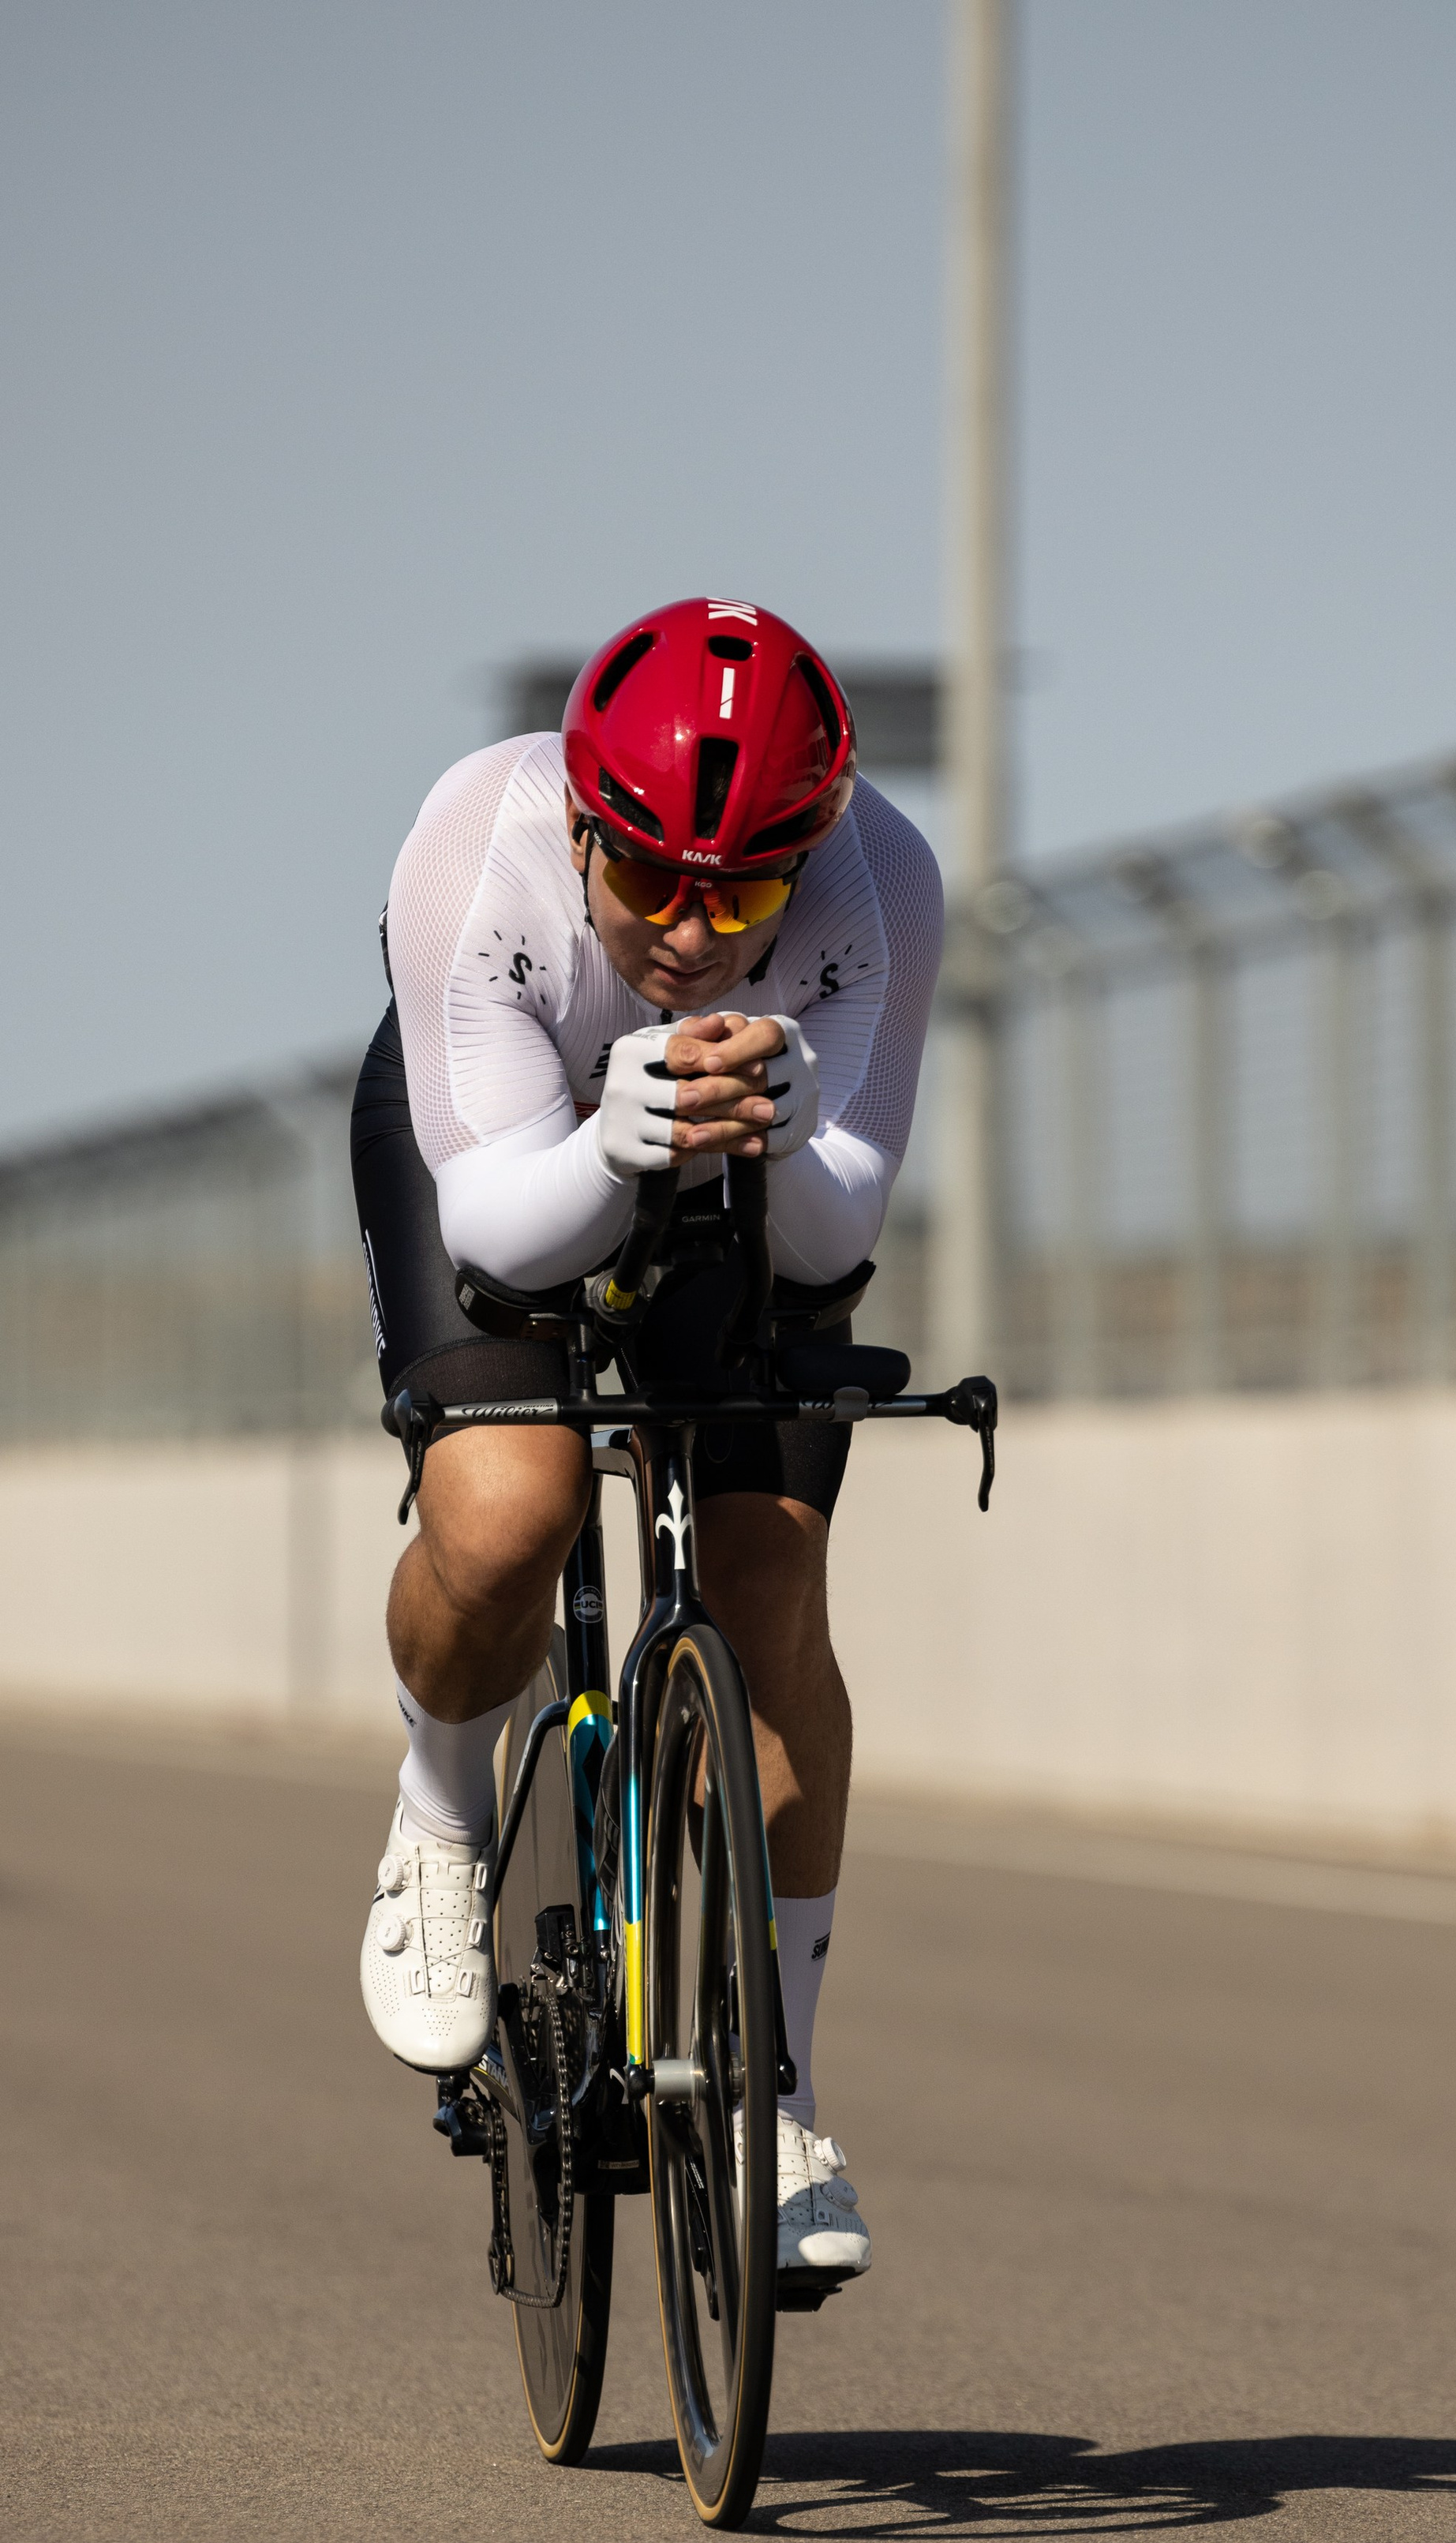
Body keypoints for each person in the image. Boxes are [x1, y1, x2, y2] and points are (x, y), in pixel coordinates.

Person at [349, 597, 942, 2279]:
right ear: (586, 830)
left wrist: (793, 1112)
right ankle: (439, 1812)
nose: (690, 931)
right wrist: (617, 1139)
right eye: (652, 882)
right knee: (510, 1507)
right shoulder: (480, 842)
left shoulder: (879, 879)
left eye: (744, 890)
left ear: (809, 850)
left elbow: (829, 1242)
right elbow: (500, 1234)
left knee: (768, 1582)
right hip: (510, 1149)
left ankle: (784, 2101)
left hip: (742, 1162)